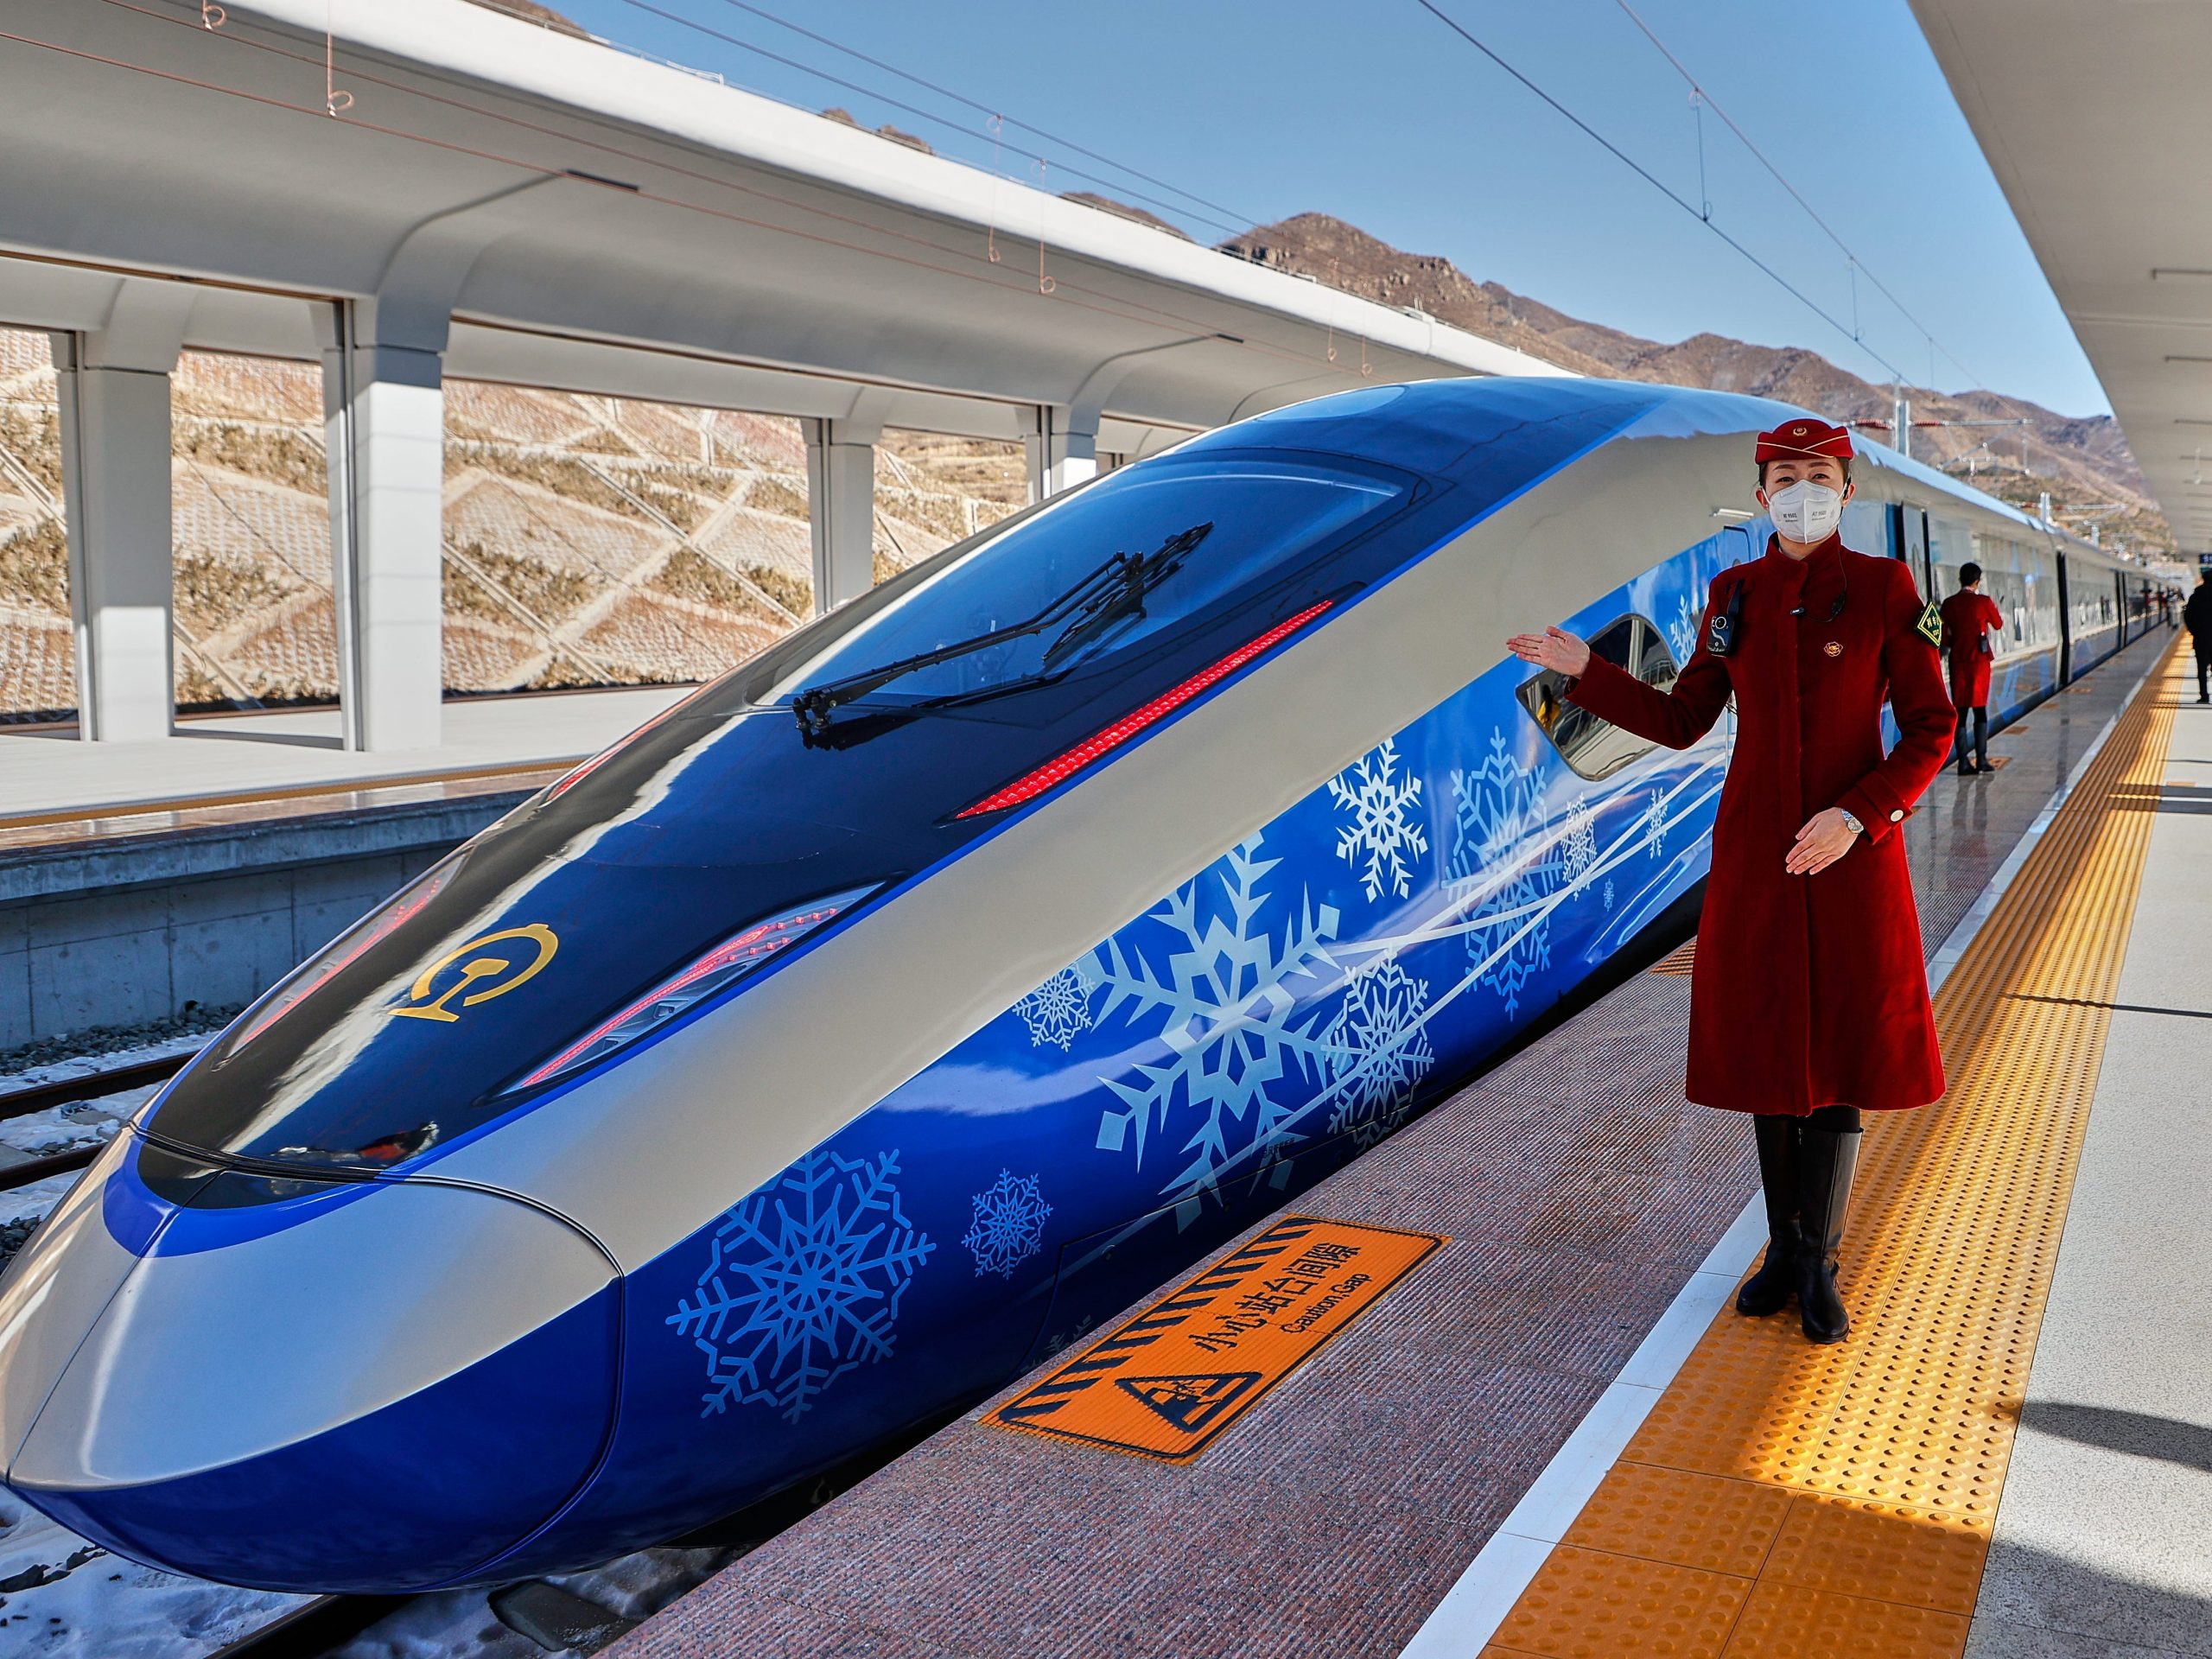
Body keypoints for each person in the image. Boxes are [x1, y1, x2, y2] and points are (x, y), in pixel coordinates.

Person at [1507, 418, 1955, 1344]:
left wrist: (1858, 816)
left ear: (1844, 492)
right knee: (1765, 1048)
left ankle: (1820, 1261)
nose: (1800, 492)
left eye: (1816, 477)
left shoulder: (1884, 588)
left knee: (1836, 1053)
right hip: (1755, 853)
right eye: (1784, 478)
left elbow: (1929, 727)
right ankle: (1780, 1250)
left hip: (1848, 856)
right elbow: (1682, 719)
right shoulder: (1734, 591)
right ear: (1761, 498)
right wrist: (1585, 670)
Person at [1941, 564, 2005, 775]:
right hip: (1979, 664)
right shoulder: (1983, 602)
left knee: (1960, 712)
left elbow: (1945, 636)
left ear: (1960, 579)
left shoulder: (1949, 604)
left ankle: (1962, 762)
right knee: (1980, 712)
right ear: (1978, 581)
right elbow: (1998, 624)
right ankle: (1982, 759)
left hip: (1958, 663)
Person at [2187, 570, 2212, 705]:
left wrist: (2195, 632)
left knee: (2201, 670)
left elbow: (2188, 618)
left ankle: (2204, 696)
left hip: (2201, 640)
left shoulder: (2195, 597)